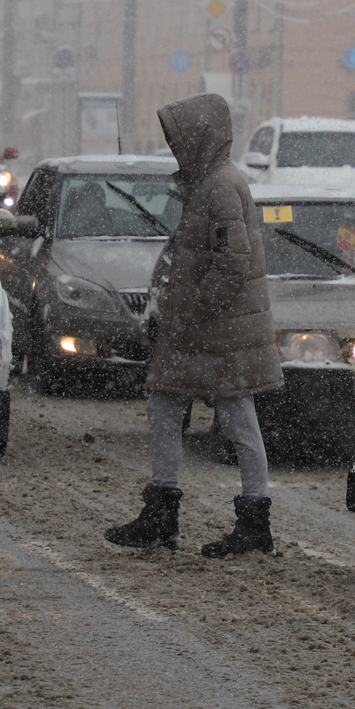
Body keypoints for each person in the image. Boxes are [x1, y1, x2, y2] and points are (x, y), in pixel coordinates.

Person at [105, 92, 283, 558]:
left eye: (179, 139)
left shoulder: (221, 186)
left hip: (217, 332)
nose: (174, 149)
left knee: (234, 419)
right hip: (205, 331)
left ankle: (244, 521)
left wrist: (193, 310)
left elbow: (232, 262)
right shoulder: (210, 183)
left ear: (199, 138)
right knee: (171, 410)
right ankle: (169, 513)